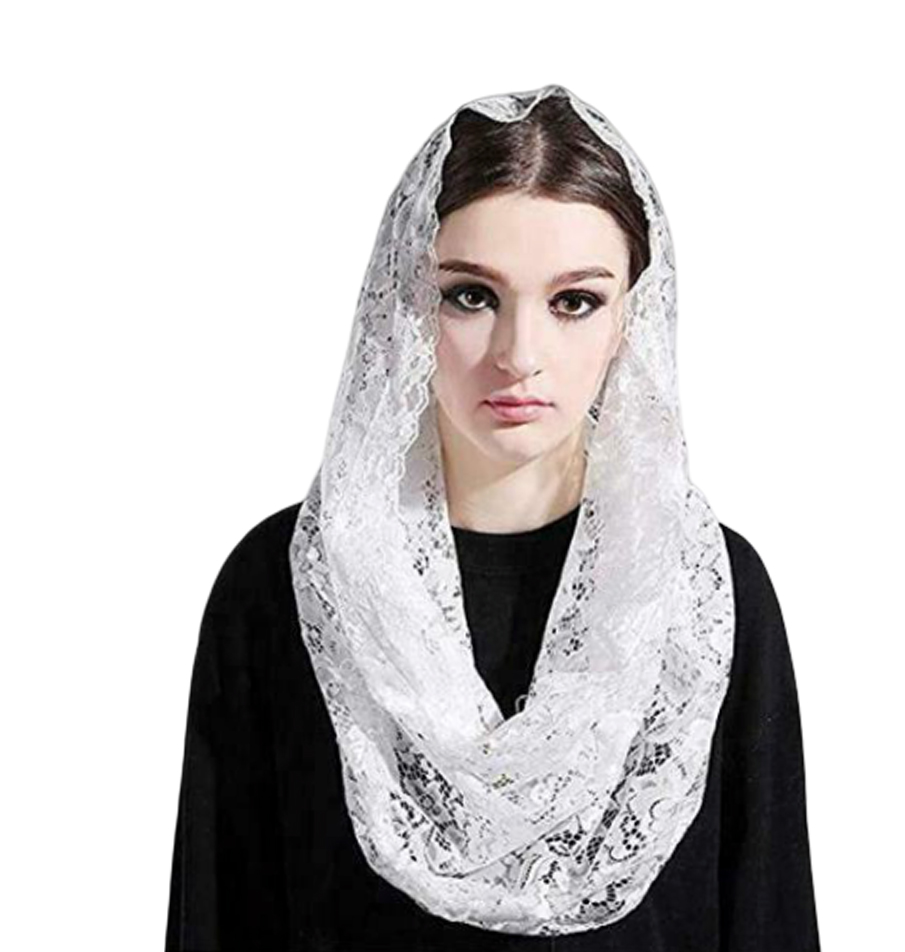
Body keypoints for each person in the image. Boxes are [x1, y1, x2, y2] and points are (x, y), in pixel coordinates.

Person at [165, 84, 821, 950]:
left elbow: (771, 920)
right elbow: (218, 920)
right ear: (405, 302)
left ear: (633, 316)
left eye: (574, 301)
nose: (519, 354)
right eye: (471, 295)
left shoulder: (701, 593)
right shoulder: (288, 584)